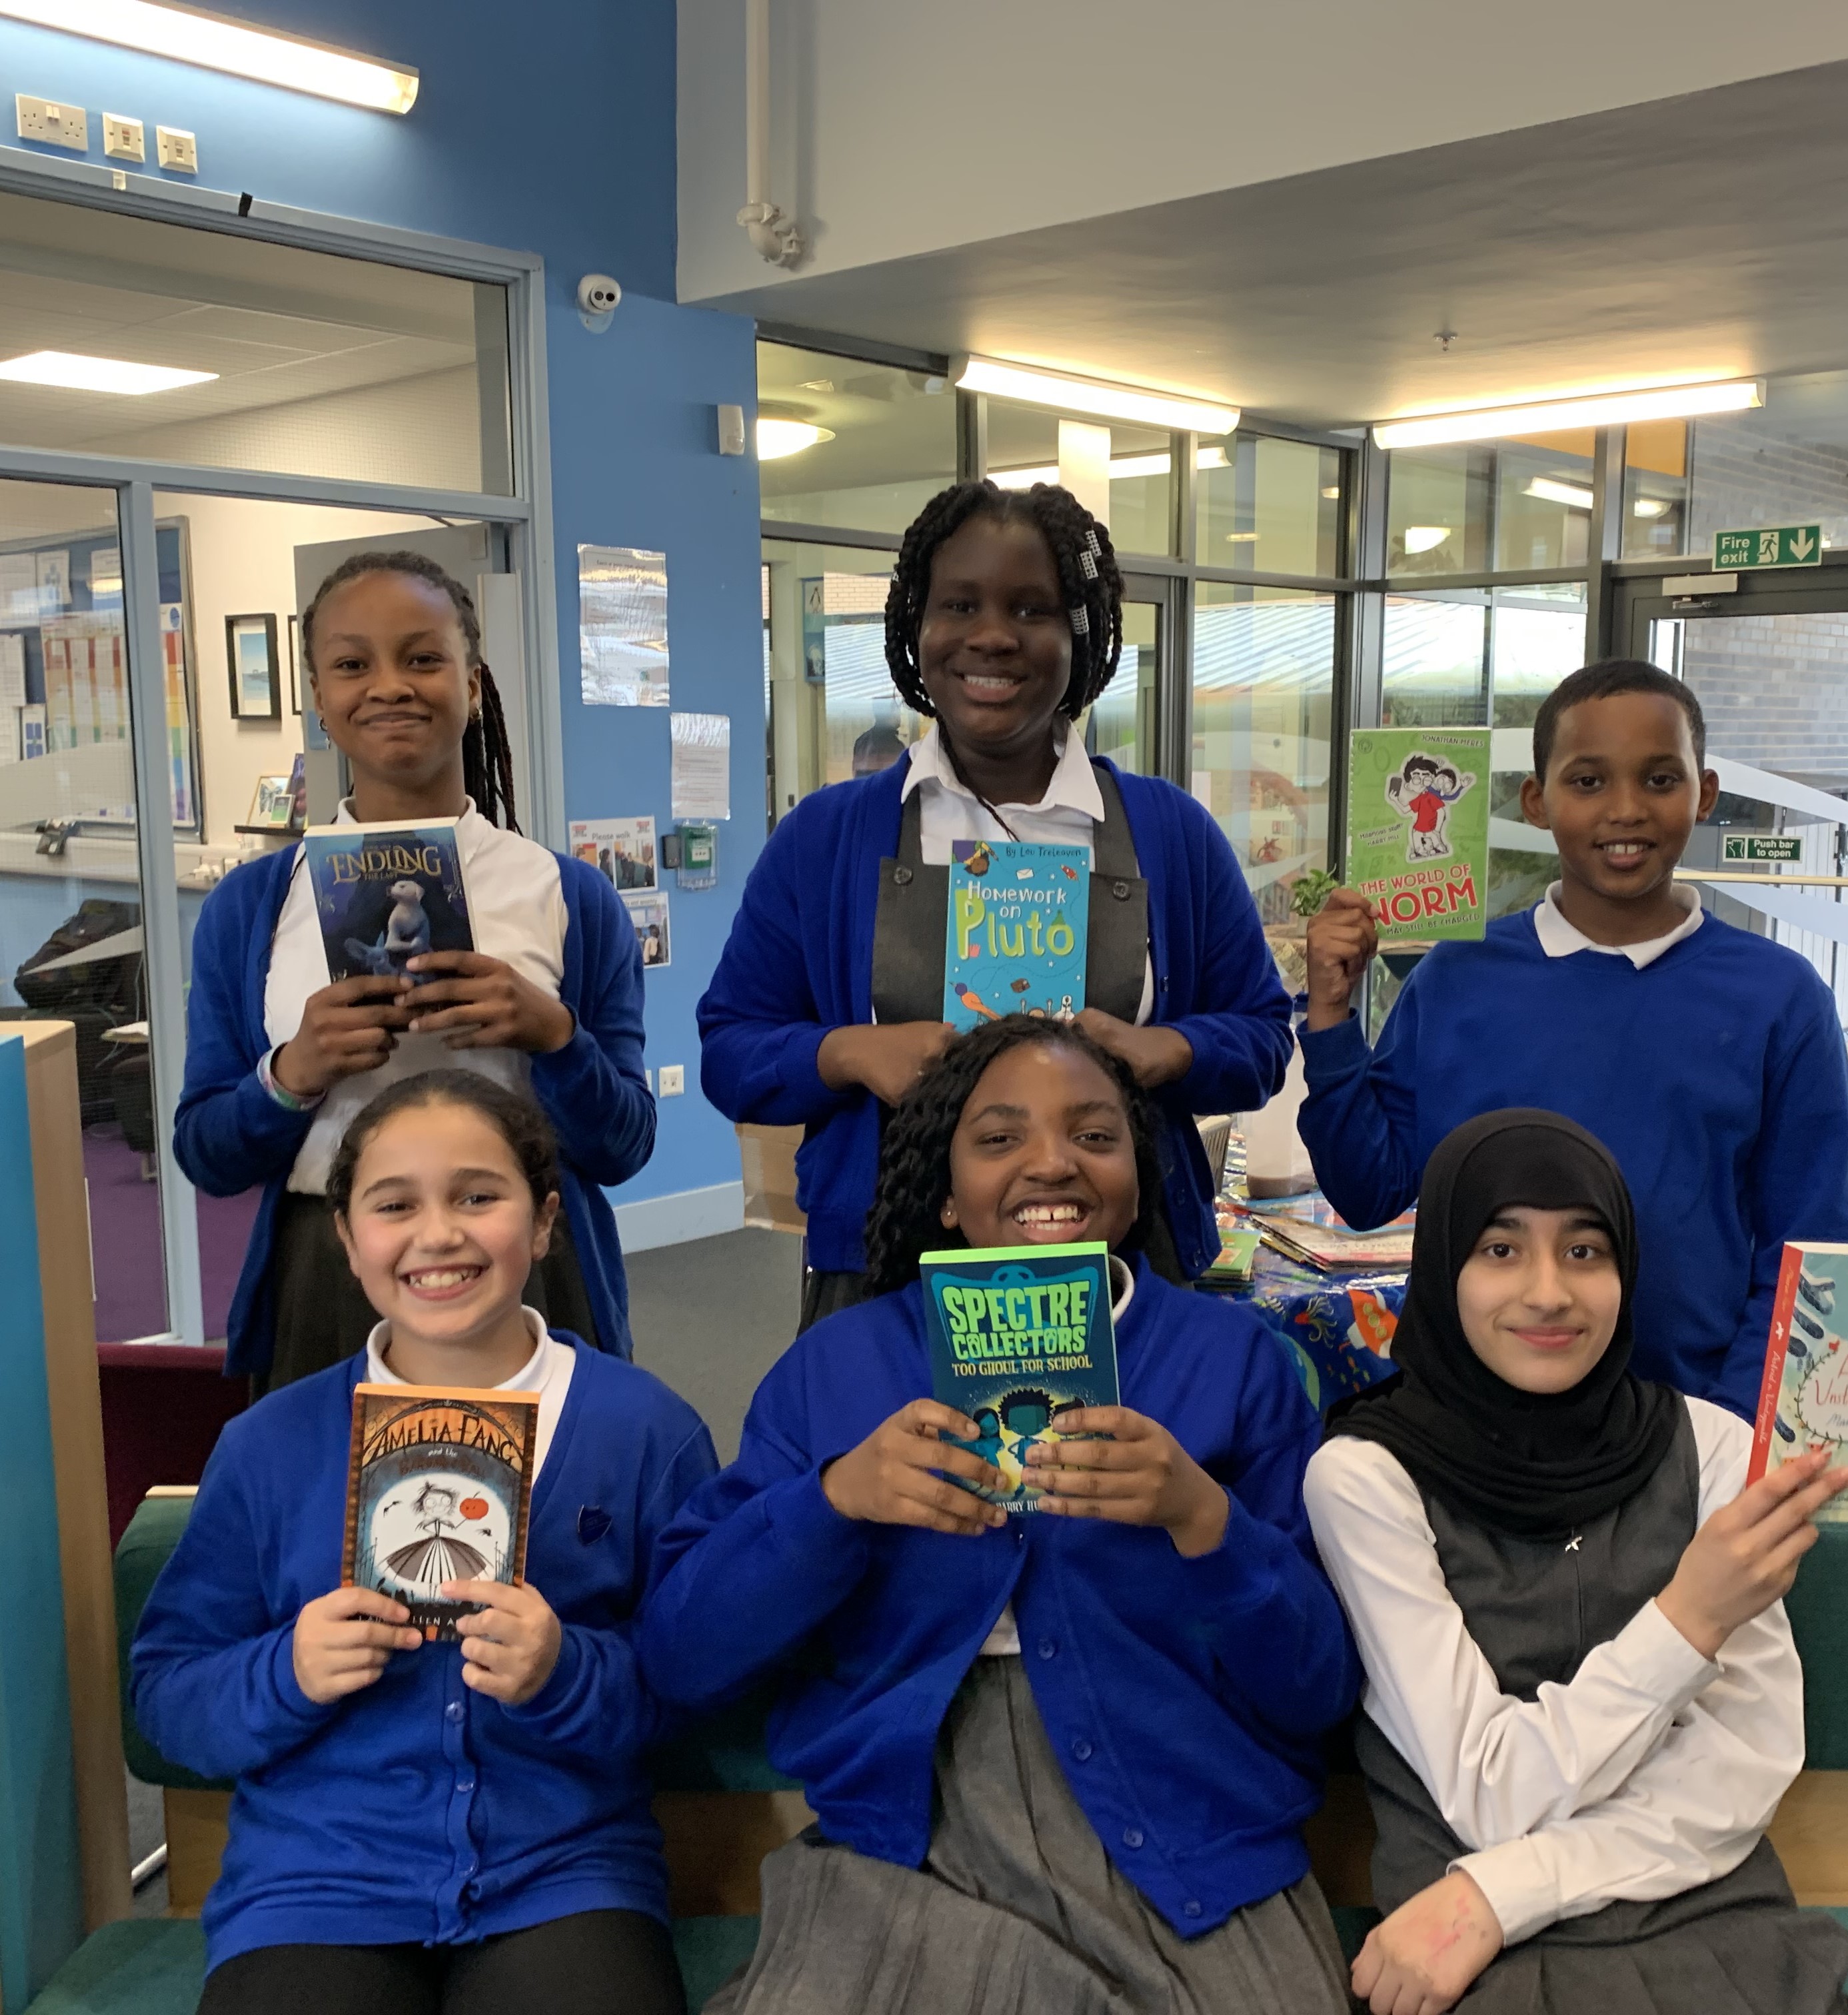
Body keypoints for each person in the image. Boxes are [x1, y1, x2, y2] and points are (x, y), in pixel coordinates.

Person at [640, 1015, 1360, 2014]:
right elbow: (682, 1655)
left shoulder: (1230, 1361)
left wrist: (1206, 1521)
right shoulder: (838, 1368)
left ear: (1140, 1175)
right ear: (942, 1189)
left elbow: (1318, 1690)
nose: (1052, 1164)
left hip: (1186, 1821)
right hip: (908, 1842)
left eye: (1097, 1137)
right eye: (999, 1138)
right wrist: (835, 1503)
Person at [133, 1071, 716, 2015]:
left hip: (561, 1874)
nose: (438, 1234)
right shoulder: (271, 1444)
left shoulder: (643, 1431)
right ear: (347, 1238)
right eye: (395, 1204)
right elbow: (165, 1694)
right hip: (316, 1886)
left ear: (542, 1223)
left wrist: (564, 1671)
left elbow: (695, 1684)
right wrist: (291, 1671)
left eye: (479, 1197)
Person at [1304, 1108, 1848, 2015]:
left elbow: (1745, 1763)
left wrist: (1504, 1891)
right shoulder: (1366, 1477)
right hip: (1468, 1959)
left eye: (1583, 1252)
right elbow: (1488, 1793)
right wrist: (1690, 1620)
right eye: (1499, 1249)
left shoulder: (1711, 1448)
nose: (1548, 1293)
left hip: (1701, 1920)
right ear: (1442, 1265)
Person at [700, 480, 1292, 1331]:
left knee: (1116, 1468)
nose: (990, 636)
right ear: (917, 625)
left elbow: (1264, 1036)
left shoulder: (1173, 834)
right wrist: (851, 1053)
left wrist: (1165, 1050)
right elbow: (731, 1050)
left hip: (1127, 1268)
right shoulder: (824, 838)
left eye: (1031, 609)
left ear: (1077, 632)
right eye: (960, 605)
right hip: (881, 1275)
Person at [1298, 658, 1848, 1415]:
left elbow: (1812, 1251)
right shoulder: (1457, 977)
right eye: (1588, 782)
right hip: (1473, 1423)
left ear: (1707, 794)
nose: (1625, 809)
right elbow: (1368, 1192)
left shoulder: (1782, 1000)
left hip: (1688, 1419)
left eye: (1661, 779)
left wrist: (1727, 1433)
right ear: (1536, 801)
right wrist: (1332, 1018)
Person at [175, 550, 654, 1390]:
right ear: (320, 699)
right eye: (353, 664)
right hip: (329, 1274)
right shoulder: (253, 908)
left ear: (474, 685)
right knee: (332, 1517)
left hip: (528, 1275)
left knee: (547, 1510)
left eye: (424, 658)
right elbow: (207, 1154)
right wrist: (294, 1074)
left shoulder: (567, 894)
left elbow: (623, 1146)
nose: (389, 685)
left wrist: (553, 1036)